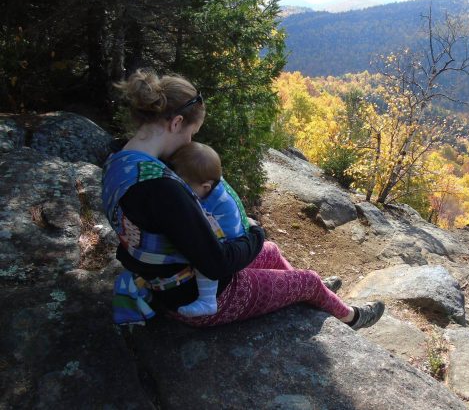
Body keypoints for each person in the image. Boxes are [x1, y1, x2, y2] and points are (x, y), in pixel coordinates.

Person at [101, 69, 384, 330]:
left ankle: (306, 294)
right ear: (176, 123)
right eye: (190, 133)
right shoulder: (162, 189)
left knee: (271, 252)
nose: (189, 143)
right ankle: (352, 318)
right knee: (306, 279)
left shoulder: (118, 162)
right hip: (200, 298)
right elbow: (216, 264)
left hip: (168, 281)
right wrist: (256, 233)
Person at [167, 141, 249, 317]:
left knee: (204, 255)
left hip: (230, 239)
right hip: (237, 230)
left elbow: (204, 236)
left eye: (185, 188)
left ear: (205, 187)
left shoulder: (211, 202)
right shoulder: (209, 181)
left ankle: (207, 300)